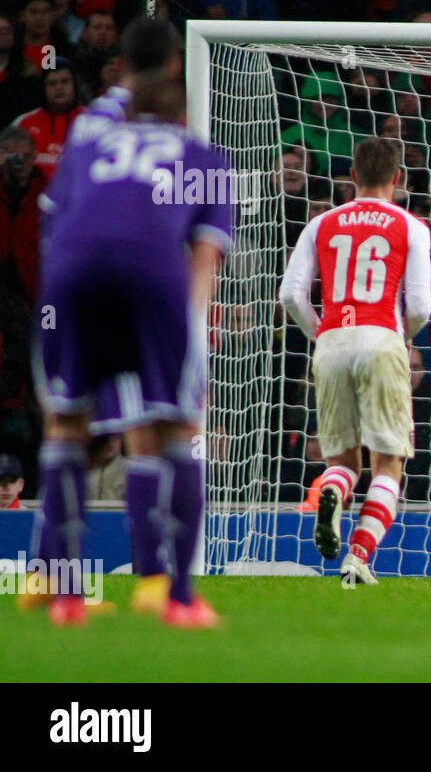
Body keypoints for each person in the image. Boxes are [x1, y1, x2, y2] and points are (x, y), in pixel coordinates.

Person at [32, 75, 230, 626]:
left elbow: (52, 219)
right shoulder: (198, 155)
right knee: (173, 430)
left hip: (70, 285)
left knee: (68, 426)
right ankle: (174, 593)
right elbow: (204, 256)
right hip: (152, 291)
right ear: (179, 114)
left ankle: (60, 586)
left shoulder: (89, 140)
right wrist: (190, 337)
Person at [279, 137, 431, 586]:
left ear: (352, 177)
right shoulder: (412, 226)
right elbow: (421, 304)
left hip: (332, 343)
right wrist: (398, 335)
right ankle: (357, 559)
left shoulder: (321, 223)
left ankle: (331, 492)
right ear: (397, 178)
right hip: (382, 336)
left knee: (343, 463)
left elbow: (290, 294)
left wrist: (321, 332)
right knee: (388, 466)